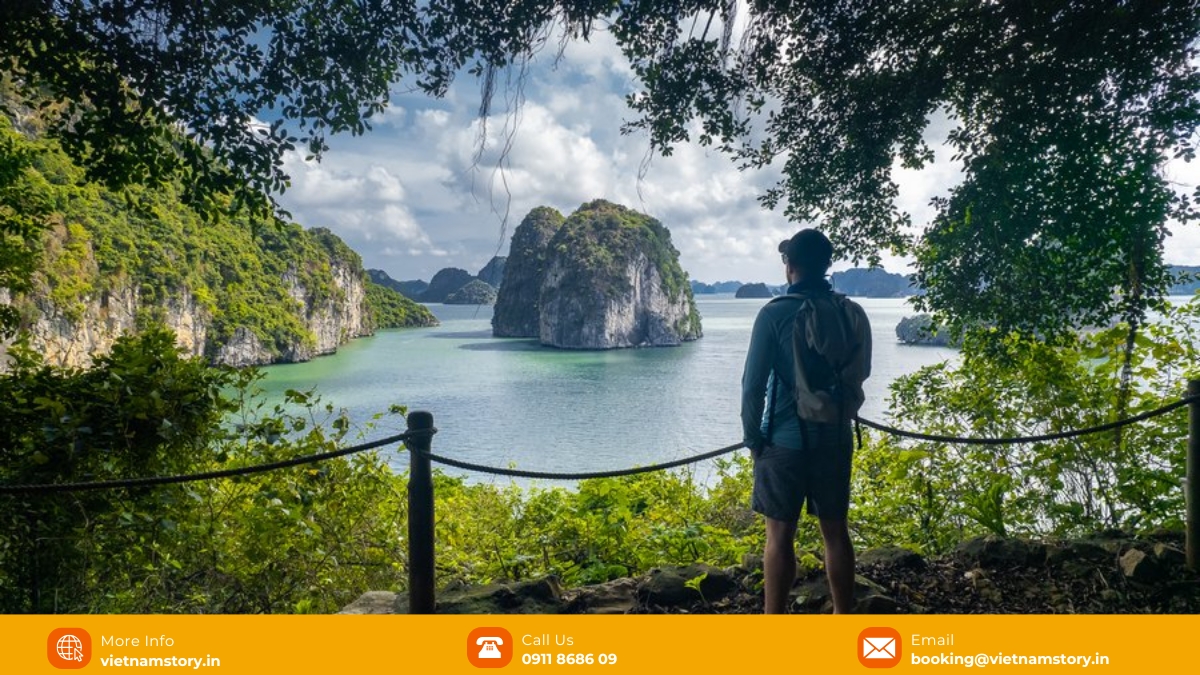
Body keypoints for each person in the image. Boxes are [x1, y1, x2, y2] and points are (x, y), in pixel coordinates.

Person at [740, 229, 872, 614]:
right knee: (835, 532)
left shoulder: (775, 313)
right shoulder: (850, 312)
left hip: (784, 441)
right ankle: (844, 619)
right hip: (834, 435)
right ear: (826, 266)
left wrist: (754, 439)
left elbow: (753, 386)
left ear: (790, 266)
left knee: (779, 537)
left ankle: (774, 626)